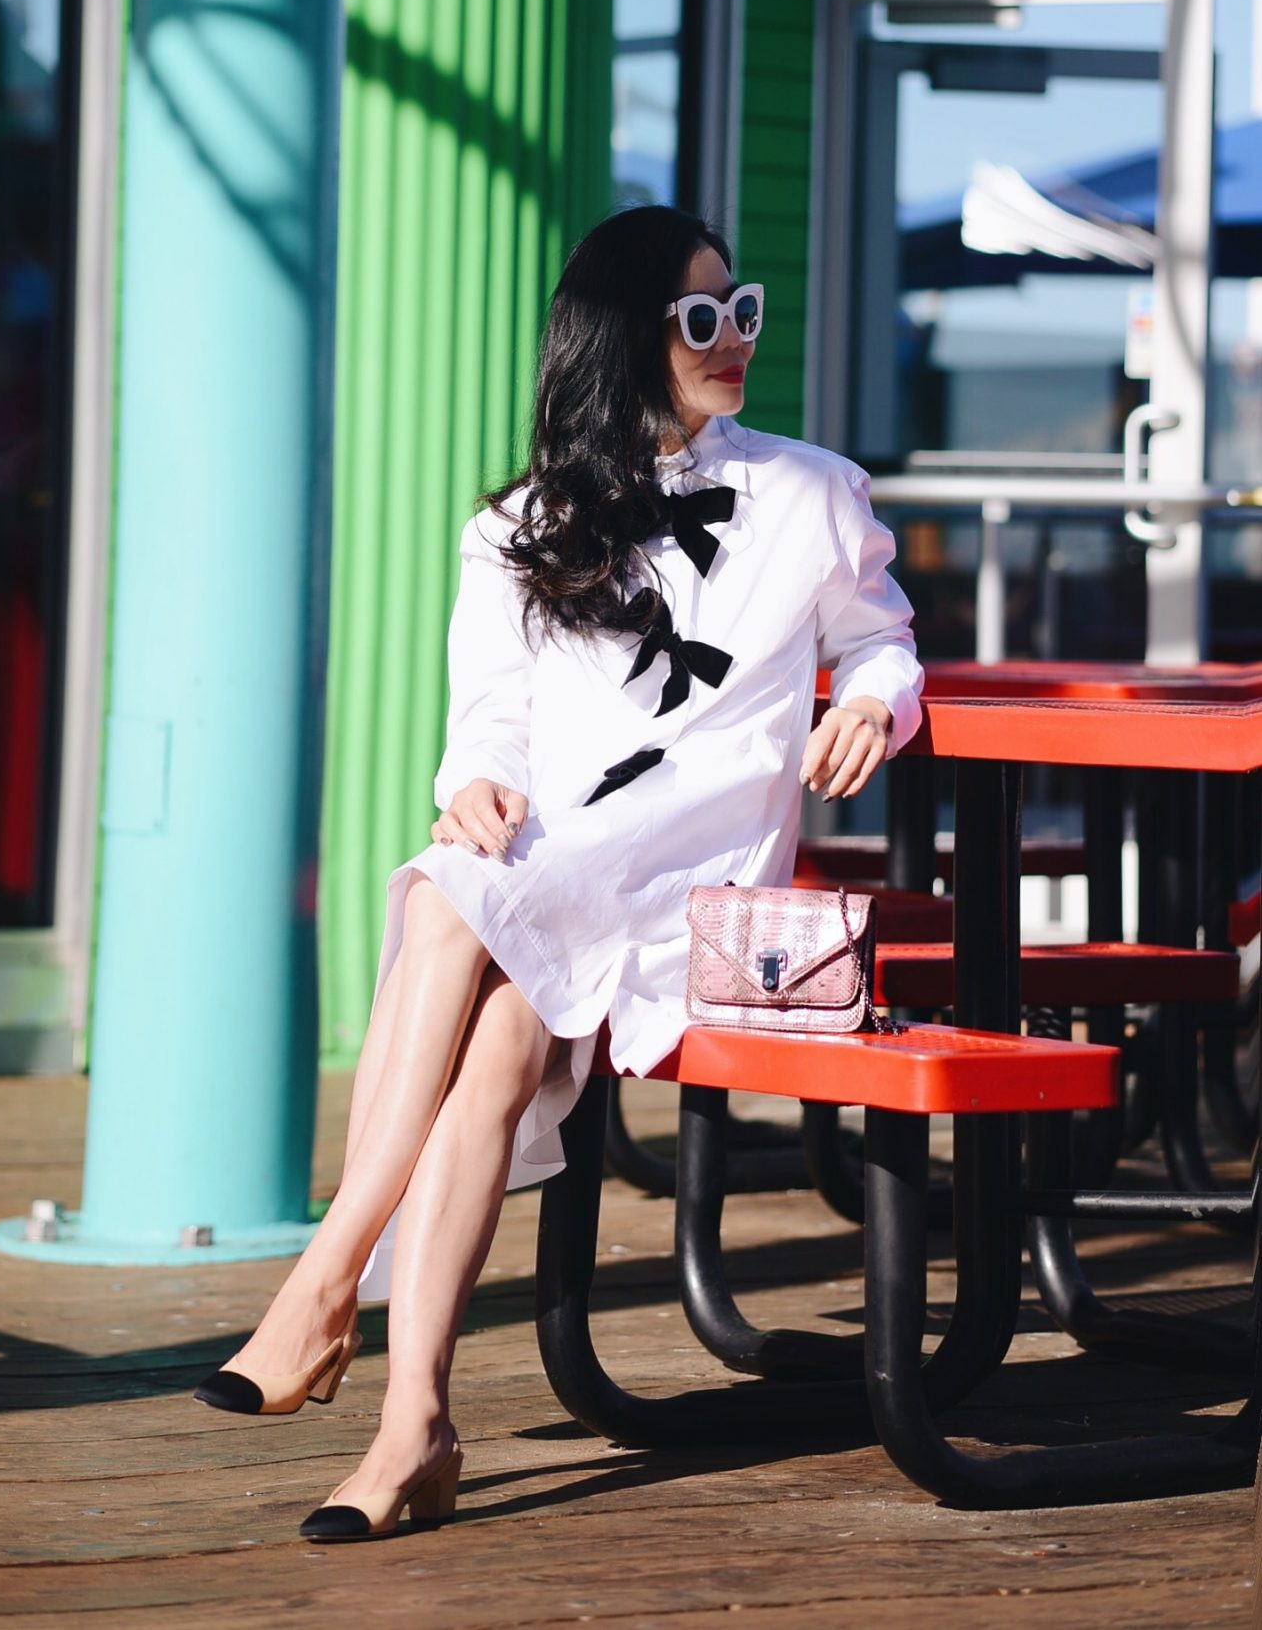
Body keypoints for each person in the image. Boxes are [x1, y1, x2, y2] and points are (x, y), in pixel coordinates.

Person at [193, 204, 924, 1540]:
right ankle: (413, 1417)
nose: (730, 339)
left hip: (697, 882)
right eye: (698, 317)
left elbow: (884, 639)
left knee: (450, 904)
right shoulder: (516, 524)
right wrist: (464, 779)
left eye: (740, 309)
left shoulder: (810, 489)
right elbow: (488, 719)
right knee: (480, 998)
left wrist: (874, 699)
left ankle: (324, 1273)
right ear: (620, 340)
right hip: (554, 863)